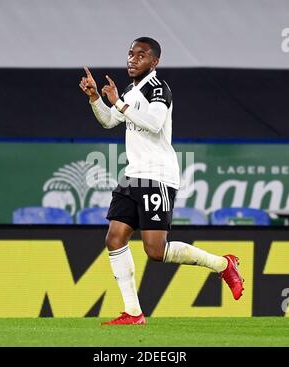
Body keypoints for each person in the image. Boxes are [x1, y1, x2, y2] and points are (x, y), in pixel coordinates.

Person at [79, 37, 244, 325]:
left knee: (155, 251)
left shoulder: (158, 88)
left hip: (157, 176)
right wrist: (95, 98)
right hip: (133, 176)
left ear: (154, 62)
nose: (132, 59)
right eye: (130, 54)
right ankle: (133, 312)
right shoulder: (131, 91)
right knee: (115, 237)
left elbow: (154, 123)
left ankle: (222, 264)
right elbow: (108, 121)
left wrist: (118, 101)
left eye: (140, 55)